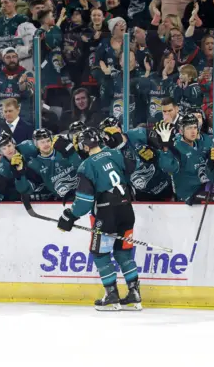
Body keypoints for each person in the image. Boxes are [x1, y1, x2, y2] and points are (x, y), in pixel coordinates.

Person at [56, 126, 141, 311]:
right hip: (127, 210)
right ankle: (134, 293)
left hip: (106, 213)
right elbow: (132, 167)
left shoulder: (86, 165)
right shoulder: (114, 153)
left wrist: (69, 216)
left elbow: (84, 202)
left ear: (85, 146)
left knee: (100, 253)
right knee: (122, 252)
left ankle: (112, 295)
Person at [98, 117, 173, 201]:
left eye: (109, 133)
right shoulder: (107, 154)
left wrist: (155, 154)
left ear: (118, 129)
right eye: (105, 136)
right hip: (142, 195)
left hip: (166, 185)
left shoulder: (138, 134)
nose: (108, 138)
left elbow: (165, 149)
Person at [154, 114, 214, 204]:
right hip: (188, 195)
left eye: (194, 127)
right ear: (181, 131)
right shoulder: (176, 147)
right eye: (189, 128)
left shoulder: (202, 144)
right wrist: (165, 148)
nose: (193, 131)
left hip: (206, 188)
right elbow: (168, 168)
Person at [13, 128, 82, 203]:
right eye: (42, 142)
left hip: (84, 194)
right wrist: (19, 174)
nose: (46, 144)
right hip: (64, 202)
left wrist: (71, 152)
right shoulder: (35, 165)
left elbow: (82, 168)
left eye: (48, 141)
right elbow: (24, 189)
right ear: (36, 144)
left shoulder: (63, 150)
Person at [0, 130, 38, 203]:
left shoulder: (28, 146)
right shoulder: (1, 170)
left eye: (9, 145)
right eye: (4, 148)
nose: (8, 150)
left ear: (13, 143)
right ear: (0, 152)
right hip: (28, 193)